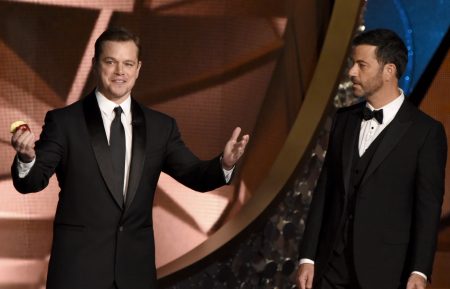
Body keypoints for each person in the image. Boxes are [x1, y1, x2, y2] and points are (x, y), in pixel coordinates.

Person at [10, 27, 249, 289]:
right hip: (77, 273)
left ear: (138, 69)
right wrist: (27, 158)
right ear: (94, 64)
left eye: (128, 64)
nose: (119, 72)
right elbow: (32, 181)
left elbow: (195, 174)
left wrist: (224, 164)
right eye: (110, 62)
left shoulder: (161, 127)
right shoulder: (65, 122)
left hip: (135, 274)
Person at [296, 28, 447, 289]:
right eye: (353, 64)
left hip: (386, 272)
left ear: (389, 70)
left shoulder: (426, 132)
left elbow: (428, 208)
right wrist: (307, 256)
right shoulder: (344, 119)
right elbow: (324, 191)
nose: (352, 72)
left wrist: (419, 271)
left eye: (361, 65)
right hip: (330, 267)